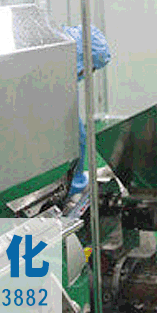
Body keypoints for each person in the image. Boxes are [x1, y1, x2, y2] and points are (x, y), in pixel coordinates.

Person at [62, 24, 112, 195]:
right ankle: (73, 188)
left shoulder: (64, 66)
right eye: (91, 69)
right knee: (76, 137)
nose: (88, 74)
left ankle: (77, 180)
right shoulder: (58, 77)